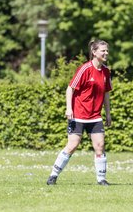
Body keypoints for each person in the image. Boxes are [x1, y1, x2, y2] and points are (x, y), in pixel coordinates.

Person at [46, 39, 112, 186]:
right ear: (94, 52)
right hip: (79, 115)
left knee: (100, 146)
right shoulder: (85, 69)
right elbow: (70, 88)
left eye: (107, 50)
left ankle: (101, 179)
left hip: (95, 116)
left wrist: (108, 113)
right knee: (72, 146)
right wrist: (69, 108)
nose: (106, 53)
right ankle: (53, 176)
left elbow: (106, 93)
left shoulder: (106, 71)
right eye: (103, 50)